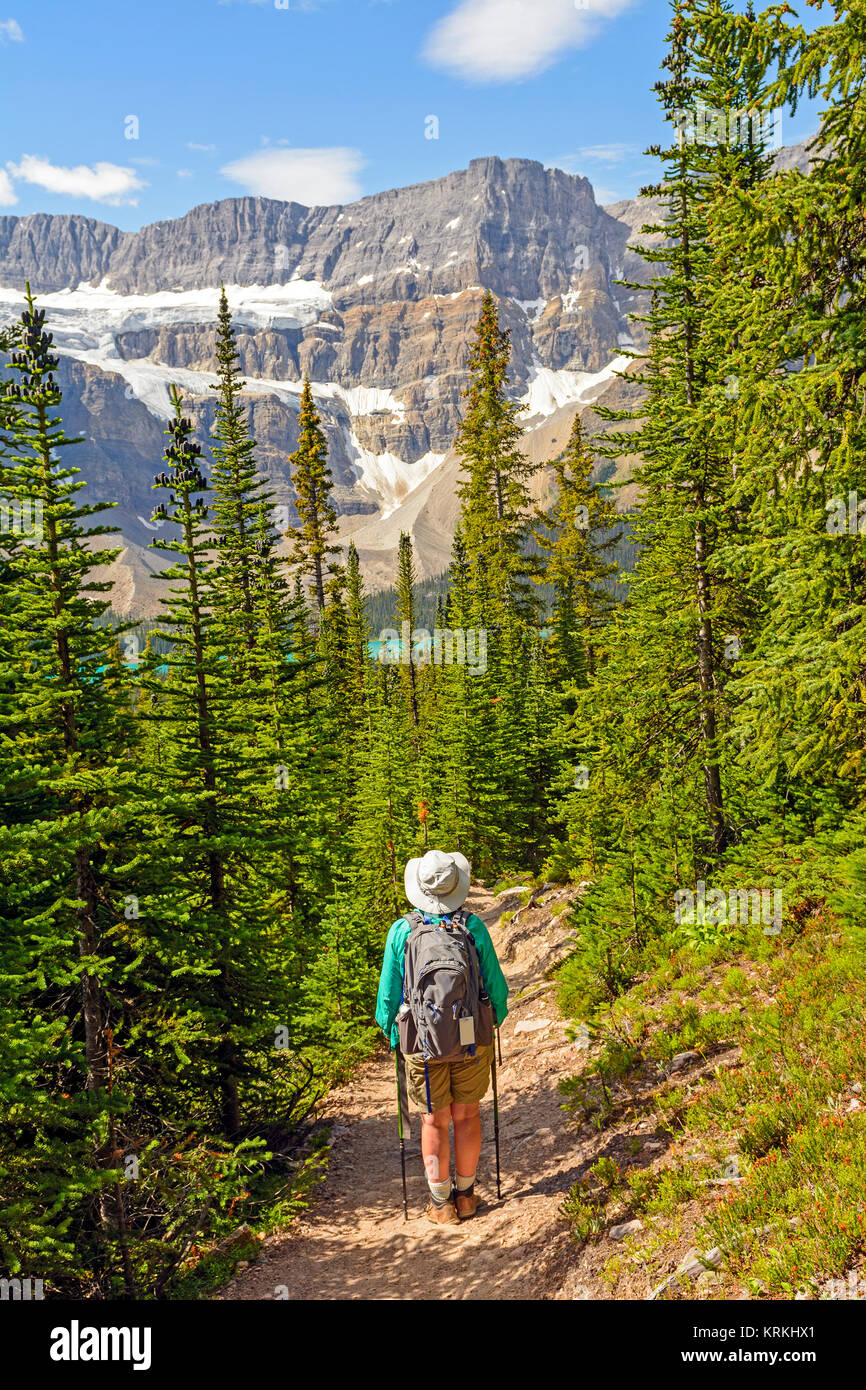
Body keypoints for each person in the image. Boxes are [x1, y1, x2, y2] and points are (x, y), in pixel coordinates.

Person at [375, 849, 508, 1227]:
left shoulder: (403, 930)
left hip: (422, 1039)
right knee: (467, 1114)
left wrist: (392, 1034)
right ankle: (466, 1197)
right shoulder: (473, 927)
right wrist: (494, 1018)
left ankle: (441, 1204)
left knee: (433, 1120)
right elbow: (495, 986)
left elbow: (388, 994)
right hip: (470, 1036)